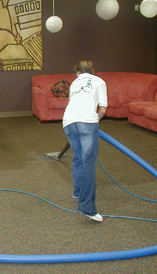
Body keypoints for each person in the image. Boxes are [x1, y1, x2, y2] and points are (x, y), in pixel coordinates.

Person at [62, 60, 108, 222]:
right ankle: (87, 207)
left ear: (77, 72)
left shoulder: (74, 83)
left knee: (78, 157)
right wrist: (96, 119)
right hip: (87, 122)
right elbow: (102, 109)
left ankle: (78, 192)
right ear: (92, 71)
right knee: (88, 162)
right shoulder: (99, 81)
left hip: (68, 121)